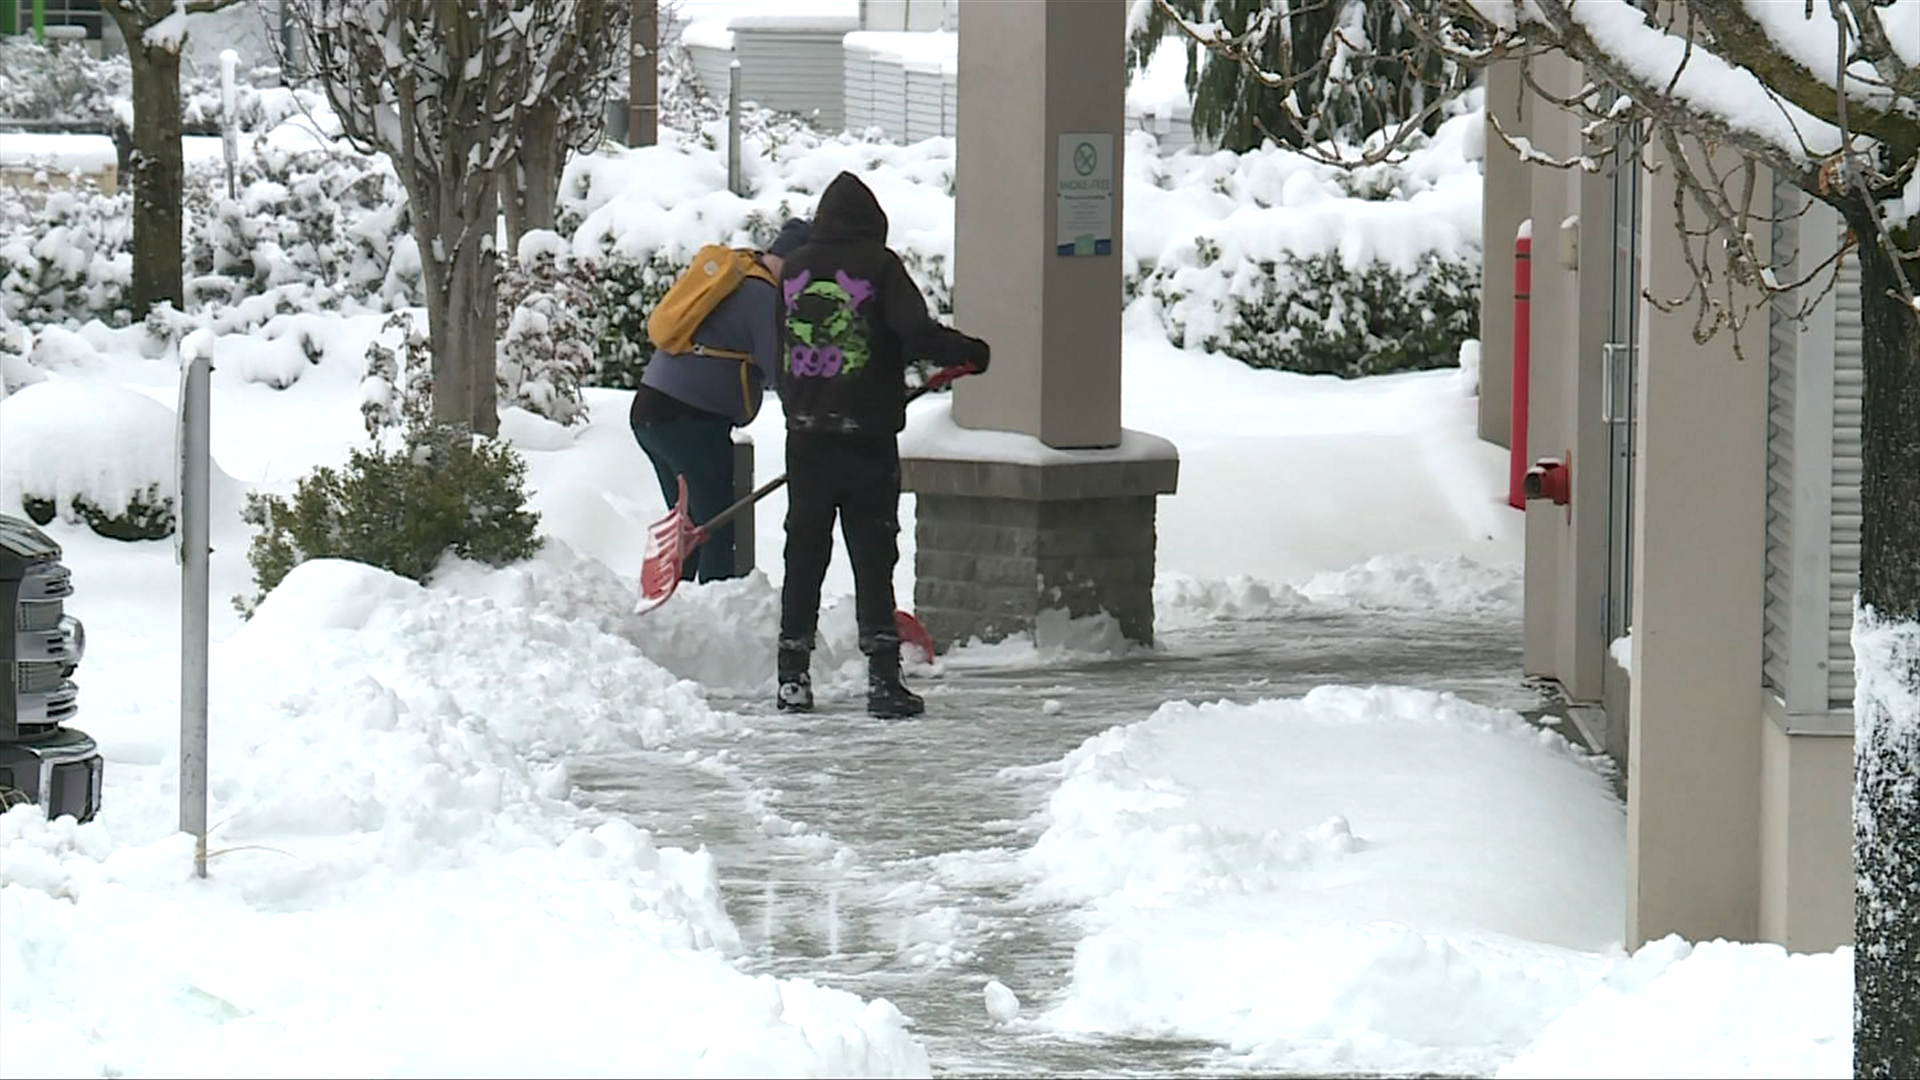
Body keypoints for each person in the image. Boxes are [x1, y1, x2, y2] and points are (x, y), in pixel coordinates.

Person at [774, 171, 991, 719]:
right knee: (873, 556)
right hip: (866, 439)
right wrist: (970, 350)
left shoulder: (793, 269)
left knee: (805, 554)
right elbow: (914, 333)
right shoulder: (879, 266)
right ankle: (883, 681)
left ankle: (792, 678)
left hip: (805, 435)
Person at [630, 218, 812, 583]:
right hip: (688, 420)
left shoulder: (739, 275)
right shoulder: (762, 295)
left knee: (691, 522)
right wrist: (812, 418)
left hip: (653, 412)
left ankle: (682, 606)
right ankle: (716, 605)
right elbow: (781, 370)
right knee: (717, 525)